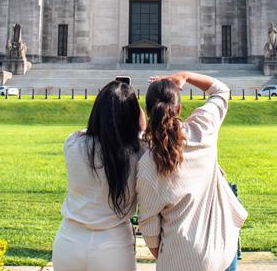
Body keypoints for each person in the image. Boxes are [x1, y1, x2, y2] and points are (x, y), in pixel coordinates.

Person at [137, 71, 247, 271]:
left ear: (148, 111)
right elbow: (221, 91)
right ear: (179, 108)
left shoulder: (147, 162)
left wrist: (171, 255)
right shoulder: (202, 129)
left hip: (177, 259)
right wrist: (185, 76)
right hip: (221, 250)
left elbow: (149, 226)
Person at [52, 80, 145, 271]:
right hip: (114, 244)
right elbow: (141, 131)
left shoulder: (73, 143)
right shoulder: (138, 152)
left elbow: (90, 131)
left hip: (69, 240)